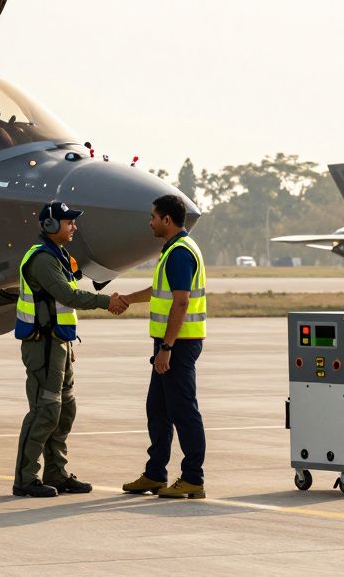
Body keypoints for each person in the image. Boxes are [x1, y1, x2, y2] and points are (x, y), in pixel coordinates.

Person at [12, 200, 127, 497]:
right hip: (43, 347)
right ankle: (25, 479)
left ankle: (56, 473)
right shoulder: (42, 260)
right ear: (51, 226)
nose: (74, 226)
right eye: (69, 222)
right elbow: (68, 295)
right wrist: (107, 302)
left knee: (64, 412)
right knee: (44, 412)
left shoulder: (59, 256)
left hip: (60, 346)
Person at [119, 194, 208, 499]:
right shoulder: (172, 250)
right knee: (157, 410)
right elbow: (162, 292)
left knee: (184, 411)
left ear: (167, 220)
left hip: (179, 344)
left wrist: (167, 348)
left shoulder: (181, 253)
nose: (150, 222)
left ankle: (193, 478)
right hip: (169, 343)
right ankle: (155, 474)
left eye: (153, 217)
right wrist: (128, 299)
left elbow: (181, 303)